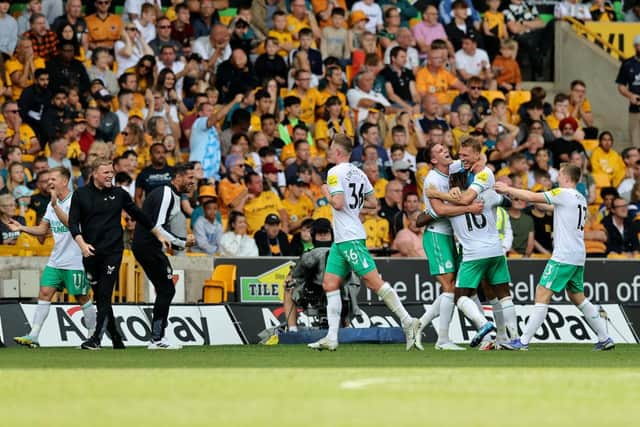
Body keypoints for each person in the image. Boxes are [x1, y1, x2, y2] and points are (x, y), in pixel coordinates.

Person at [308, 134, 419, 351]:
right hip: (341, 240)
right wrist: (353, 206)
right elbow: (373, 203)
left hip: (349, 237)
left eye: (331, 149)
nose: (329, 153)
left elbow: (338, 203)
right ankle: (331, 337)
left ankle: (408, 321)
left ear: (338, 152)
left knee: (373, 281)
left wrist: (326, 193)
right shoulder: (359, 173)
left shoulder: (333, 173)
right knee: (329, 284)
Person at [496, 163, 615, 351]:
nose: (556, 176)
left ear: (567, 178)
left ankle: (523, 341)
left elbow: (533, 196)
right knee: (577, 297)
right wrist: (520, 197)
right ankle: (604, 337)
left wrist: (507, 188)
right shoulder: (580, 198)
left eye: (559, 174)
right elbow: (549, 207)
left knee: (542, 291)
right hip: (577, 254)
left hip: (564, 255)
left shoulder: (563, 193)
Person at [68, 159, 170, 350]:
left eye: (111, 172)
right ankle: (115, 336)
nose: (110, 176)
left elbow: (138, 214)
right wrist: (81, 244)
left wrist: (157, 232)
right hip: (89, 252)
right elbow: (73, 223)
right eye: (105, 172)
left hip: (113, 251)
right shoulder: (80, 195)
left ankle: (96, 339)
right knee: (99, 295)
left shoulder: (119, 194)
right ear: (95, 174)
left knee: (105, 293)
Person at [427, 137, 518, 348]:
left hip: (474, 254)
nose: (462, 159)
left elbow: (462, 201)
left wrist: (437, 194)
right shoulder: (489, 196)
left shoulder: (473, 187)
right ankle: (510, 339)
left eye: (465, 156)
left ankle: (484, 325)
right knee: (503, 296)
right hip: (496, 250)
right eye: (461, 156)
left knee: (459, 297)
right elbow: (506, 201)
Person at [12, 167, 96, 348]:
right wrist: (22, 228)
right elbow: (43, 230)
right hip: (56, 260)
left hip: (76, 261)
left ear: (64, 181)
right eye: (48, 179)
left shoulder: (77, 200)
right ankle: (33, 335)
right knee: (44, 293)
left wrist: (56, 205)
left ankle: (92, 337)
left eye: (53, 179)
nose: (49, 182)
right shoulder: (52, 204)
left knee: (82, 297)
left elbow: (72, 224)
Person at [415, 142, 483, 350]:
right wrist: (469, 207)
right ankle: (442, 340)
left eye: (445, 147)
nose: (445, 150)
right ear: (433, 160)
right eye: (439, 150)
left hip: (450, 237)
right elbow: (440, 211)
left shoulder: (452, 168)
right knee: (450, 288)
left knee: (454, 288)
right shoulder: (432, 179)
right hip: (436, 235)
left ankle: (419, 325)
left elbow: (479, 160)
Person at [132, 163, 196, 350]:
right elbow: (157, 227)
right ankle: (157, 338)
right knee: (166, 289)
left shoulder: (174, 195)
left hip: (149, 246)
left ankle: (158, 336)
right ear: (178, 177)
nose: (193, 182)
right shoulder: (167, 194)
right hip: (146, 245)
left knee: (165, 288)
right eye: (190, 178)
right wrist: (182, 242)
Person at [616, 35, 640, 148]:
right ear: (636, 46)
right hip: (635, 109)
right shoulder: (628, 64)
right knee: (635, 143)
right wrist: (630, 96)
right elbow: (621, 86)